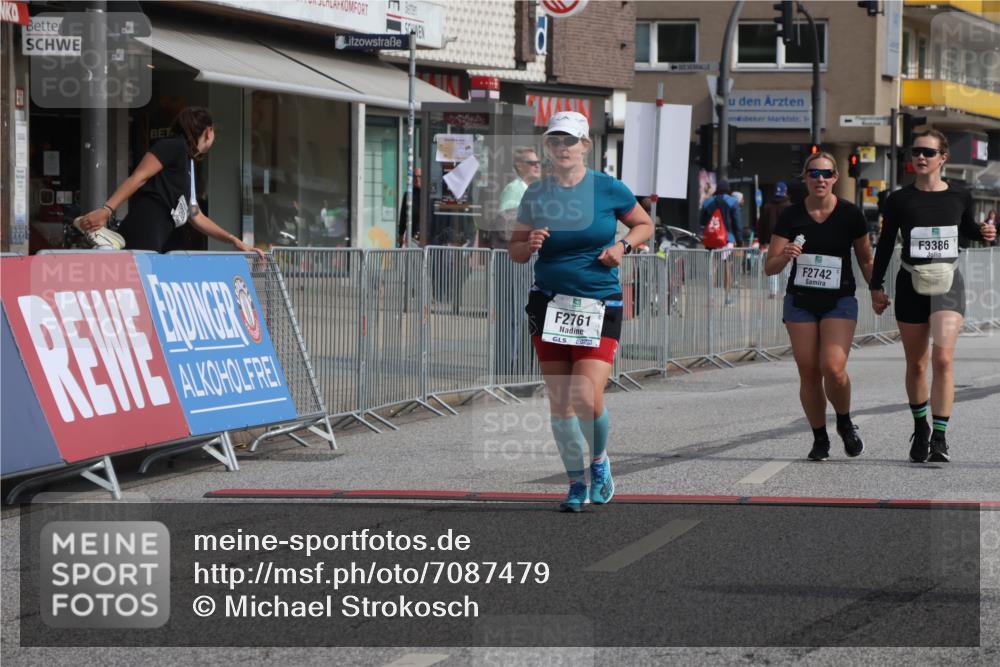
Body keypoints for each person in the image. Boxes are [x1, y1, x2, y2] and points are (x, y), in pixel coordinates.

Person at [507, 111, 654, 512]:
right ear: (548, 147)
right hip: (550, 302)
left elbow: (644, 224)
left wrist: (622, 247)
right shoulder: (536, 193)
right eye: (555, 141)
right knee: (561, 401)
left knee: (587, 395)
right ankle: (575, 482)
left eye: (570, 141)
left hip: (598, 302)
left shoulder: (607, 188)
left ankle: (599, 462)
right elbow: (515, 250)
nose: (562, 148)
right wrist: (530, 242)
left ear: (585, 146)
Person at [870, 130, 996, 463]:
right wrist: (875, 285)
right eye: (916, 152)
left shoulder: (960, 194)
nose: (920, 157)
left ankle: (939, 437)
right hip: (911, 283)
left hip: (948, 285)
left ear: (943, 157)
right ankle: (920, 427)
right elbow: (885, 243)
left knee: (942, 360)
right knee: (917, 363)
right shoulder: (899, 199)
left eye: (928, 152)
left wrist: (984, 233)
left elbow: (966, 229)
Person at [764, 152, 873, 461]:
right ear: (806, 178)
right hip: (800, 301)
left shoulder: (851, 214)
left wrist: (877, 289)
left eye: (826, 173)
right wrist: (786, 254)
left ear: (836, 178)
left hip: (839, 300)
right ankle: (819, 438)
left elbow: (865, 259)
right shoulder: (790, 216)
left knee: (833, 368)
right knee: (809, 372)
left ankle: (844, 421)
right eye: (814, 173)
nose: (820, 178)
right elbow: (769, 266)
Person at [77, 107, 262, 256]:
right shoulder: (173, 145)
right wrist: (107, 210)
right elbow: (139, 176)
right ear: (208, 131)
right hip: (144, 228)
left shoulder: (188, 161)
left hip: (158, 235)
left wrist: (234, 241)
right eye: (214, 132)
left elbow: (196, 216)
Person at [700, 179, 743, 305]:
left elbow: (702, 221)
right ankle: (727, 298)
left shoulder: (708, 201)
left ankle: (710, 297)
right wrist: (739, 240)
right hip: (727, 240)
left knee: (712, 267)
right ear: (728, 189)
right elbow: (737, 224)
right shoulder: (732, 202)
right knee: (726, 267)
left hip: (710, 239)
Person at [758, 181, 792, 297]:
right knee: (786, 267)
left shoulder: (767, 206)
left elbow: (761, 226)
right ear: (785, 192)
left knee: (772, 266)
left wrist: (761, 241)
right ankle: (786, 291)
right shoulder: (789, 207)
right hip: (787, 242)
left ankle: (773, 291)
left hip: (770, 242)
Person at [397, 167, 422, 247]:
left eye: (419, 176)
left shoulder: (427, 195)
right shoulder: (408, 195)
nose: (417, 179)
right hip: (412, 238)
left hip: (426, 238)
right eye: (415, 177)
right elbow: (403, 216)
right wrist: (401, 235)